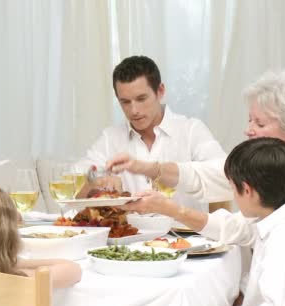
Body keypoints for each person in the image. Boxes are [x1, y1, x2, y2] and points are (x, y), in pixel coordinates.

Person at [108, 71, 285, 306]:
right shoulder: (266, 165)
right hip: (280, 300)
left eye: (260, 123)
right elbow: (206, 173)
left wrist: (171, 209)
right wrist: (145, 167)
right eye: (250, 119)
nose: (248, 129)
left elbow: (242, 229)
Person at [124, 138, 285, 306]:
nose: (234, 197)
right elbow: (227, 228)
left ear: (247, 190)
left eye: (233, 189)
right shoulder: (275, 222)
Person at [75, 55, 225, 210]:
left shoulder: (191, 130)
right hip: (131, 233)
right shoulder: (110, 138)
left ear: (160, 91)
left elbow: (224, 175)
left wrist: (163, 171)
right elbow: (72, 182)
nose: (134, 111)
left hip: (185, 233)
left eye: (141, 99)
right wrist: (96, 182)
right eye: (125, 102)